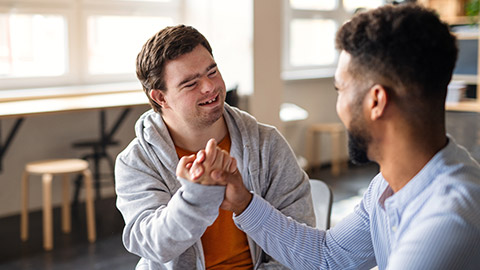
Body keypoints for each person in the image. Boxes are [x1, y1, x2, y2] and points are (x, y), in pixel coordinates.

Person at [178, 4, 480, 270]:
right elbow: (329, 257)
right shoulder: (389, 185)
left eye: (340, 89)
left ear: (376, 102)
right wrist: (243, 203)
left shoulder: (452, 215)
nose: (339, 105)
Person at [114, 25, 315, 269]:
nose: (209, 87)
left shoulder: (267, 143)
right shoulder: (136, 160)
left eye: (212, 71)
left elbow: (301, 242)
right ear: (160, 97)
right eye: (190, 83)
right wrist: (196, 197)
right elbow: (153, 245)